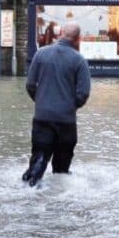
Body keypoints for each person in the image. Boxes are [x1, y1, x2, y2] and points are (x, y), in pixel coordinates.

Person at [22, 22, 91, 186]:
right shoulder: (79, 61)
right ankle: (59, 207)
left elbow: (30, 85)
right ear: (78, 39)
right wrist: (70, 106)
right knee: (61, 171)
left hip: (42, 117)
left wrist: (41, 102)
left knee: (39, 158)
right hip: (66, 121)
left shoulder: (41, 54)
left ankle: (29, 187)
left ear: (60, 34)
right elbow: (83, 93)